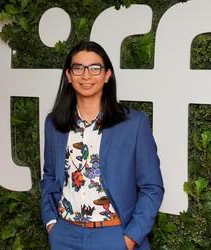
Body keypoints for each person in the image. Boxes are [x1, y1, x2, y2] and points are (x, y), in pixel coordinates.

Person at [40, 41, 164, 250]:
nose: (86, 75)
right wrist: (52, 224)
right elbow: (50, 177)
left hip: (113, 235)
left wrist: (130, 239)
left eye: (95, 68)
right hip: (65, 235)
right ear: (69, 76)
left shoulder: (134, 124)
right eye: (78, 68)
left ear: (107, 75)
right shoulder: (54, 124)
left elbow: (152, 187)